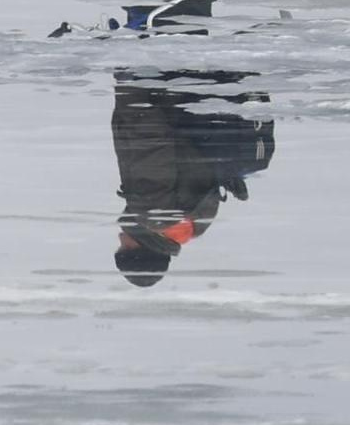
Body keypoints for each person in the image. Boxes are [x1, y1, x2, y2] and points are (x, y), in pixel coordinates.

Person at [108, 67, 274, 285]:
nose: (121, 237)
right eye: (125, 246)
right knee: (173, 34)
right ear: (139, 247)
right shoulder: (153, 212)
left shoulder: (194, 222)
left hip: (202, 95)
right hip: (169, 89)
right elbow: (150, 145)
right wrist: (132, 89)